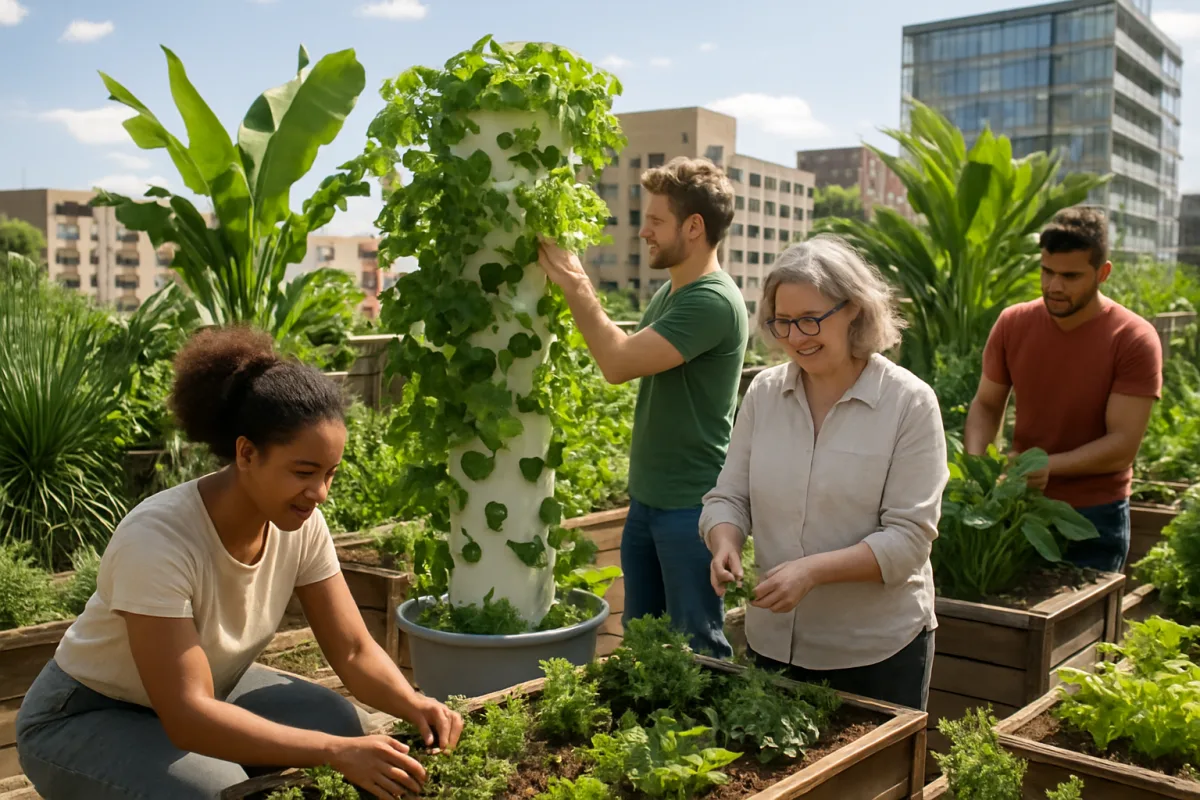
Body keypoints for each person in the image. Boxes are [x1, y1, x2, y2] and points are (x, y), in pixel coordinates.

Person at [16, 327, 463, 800]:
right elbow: (188, 716)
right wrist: (334, 752)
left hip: (208, 690)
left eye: (330, 473)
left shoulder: (302, 525)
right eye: (304, 472)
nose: (320, 494)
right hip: (84, 714)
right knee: (219, 790)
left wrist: (414, 704)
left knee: (342, 721)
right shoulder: (157, 539)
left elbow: (353, 651)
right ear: (247, 453)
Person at [703, 235, 948, 710]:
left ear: (854, 309)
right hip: (772, 642)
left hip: (874, 651)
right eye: (782, 323)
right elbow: (729, 497)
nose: (795, 337)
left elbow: (909, 539)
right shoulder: (764, 394)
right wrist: (725, 542)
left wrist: (812, 572)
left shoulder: (908, 403)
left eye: (811, 320)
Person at [537, 156, 748, 658]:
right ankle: (650, 737)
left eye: (655, 221)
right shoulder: (671, 294)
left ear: (693, 227)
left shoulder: (712, 302)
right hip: (650, 501)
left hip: (690, 508)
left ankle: (703, 739)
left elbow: (617, 361)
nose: (644, 233)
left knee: (697, 650)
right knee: (643, 645)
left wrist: (577, 283)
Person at [964, 208, 1162, 573]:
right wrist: (978, 466)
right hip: (1020, 508)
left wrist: (1046, 467)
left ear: (1103, 273)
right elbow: (987, 405)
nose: (1054, 286)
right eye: (1047, 271)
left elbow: (1122, 446)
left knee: (1088, 629)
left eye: (1070, 276)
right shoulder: (1013, 323)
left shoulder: (1133, 339)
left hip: (1095, 516)